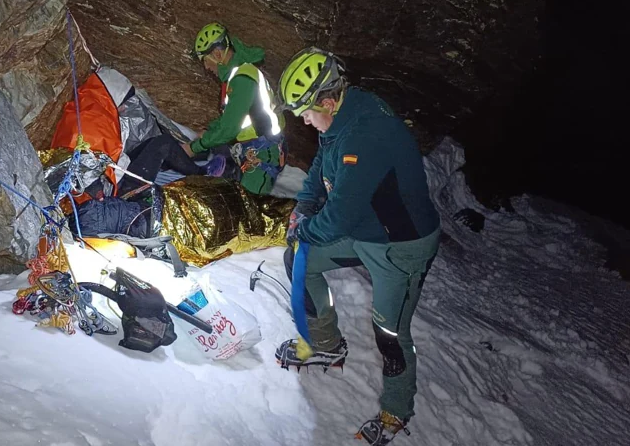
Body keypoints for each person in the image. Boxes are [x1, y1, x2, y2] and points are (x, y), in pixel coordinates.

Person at [273, 47, 441, 445]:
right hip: (367, 232)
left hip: (401, 247)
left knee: (390, 331)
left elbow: (341, 216)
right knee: (302, 259)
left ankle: (396, 411)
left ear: (328, 101)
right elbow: (320, 166)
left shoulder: (368, 133)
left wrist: (307, 228)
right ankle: (326, 344)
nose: (303, 119)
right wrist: (304, 207)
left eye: (307, 111)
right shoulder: (341, 119)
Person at [186, 22, 286, 195]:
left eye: (206, 61)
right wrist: (210, 129)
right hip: (253, 150)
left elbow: (229, 129)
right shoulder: (236, 76)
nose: (207, 68)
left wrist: (194, 147)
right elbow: (234, 117)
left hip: (263, 152)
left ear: (217, 54)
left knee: (248, 208)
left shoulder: (243, 79)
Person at [117, 134, 226, 196]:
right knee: (164, 144)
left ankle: (167, 164)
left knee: (151, 141)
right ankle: (202, 174)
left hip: (117, 172)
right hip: (121, 190)